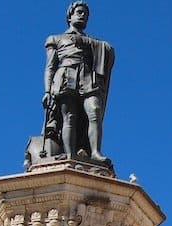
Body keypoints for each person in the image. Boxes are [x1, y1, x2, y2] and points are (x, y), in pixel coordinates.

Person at [43, 1, 115, 162]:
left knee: (95, 110)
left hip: (88, 78)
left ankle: (95, 152)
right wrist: (47, 91)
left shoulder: (94, 43)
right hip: (65, 76)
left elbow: (106, 52)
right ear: (70, 15)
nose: (83, 16)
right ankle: (70, 155)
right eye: (80, 12)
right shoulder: (55, 38)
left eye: (86, 14)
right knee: (69, 116)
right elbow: (49, 67)